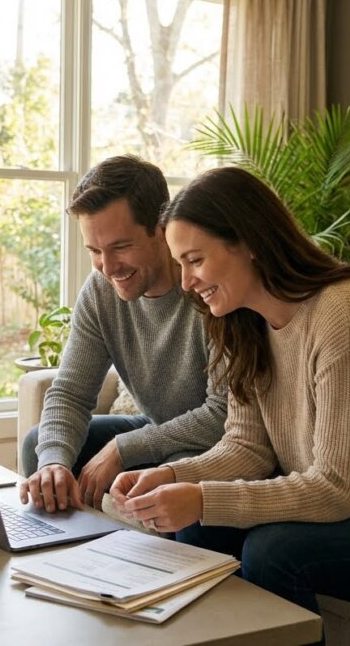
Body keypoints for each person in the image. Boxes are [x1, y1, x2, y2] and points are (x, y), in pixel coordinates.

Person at [110, 166, 350, 620]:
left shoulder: (346, 318)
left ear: (250, 242)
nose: (185, 282)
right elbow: (247, 448)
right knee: (200, 530)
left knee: (274, 551)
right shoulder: (242, 322)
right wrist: (174, 477)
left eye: (195, 260)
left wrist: (203, 497)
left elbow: (335, 490)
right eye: (180, 263)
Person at [19, 155, 228, 514]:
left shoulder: (208, 287)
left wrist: (123, 449)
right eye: (95, 251)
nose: (108, 267)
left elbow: (224, 414)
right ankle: (61, 557)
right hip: (158, 425)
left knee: (176, 472)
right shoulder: (101, 291)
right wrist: (53, 463)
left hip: (212, 442)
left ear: (162, 230)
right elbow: (70, 392)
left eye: (120, 247)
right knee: (40, 445)